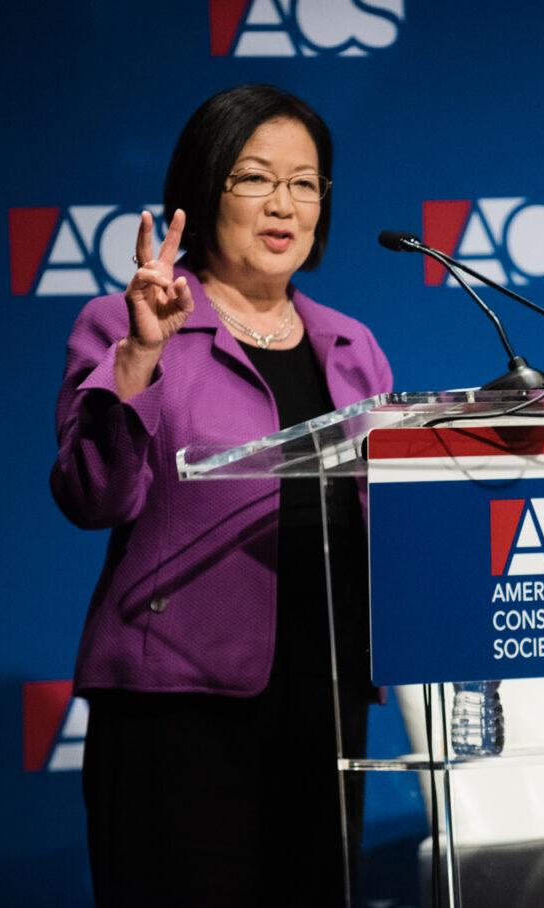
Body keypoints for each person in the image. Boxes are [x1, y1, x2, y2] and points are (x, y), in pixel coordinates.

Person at [49, 85, 392, 906]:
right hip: (177, 703)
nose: (284, 205)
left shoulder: (352, 346)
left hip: (326, 698)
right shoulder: (128, 324)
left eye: (305, 183)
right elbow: (93, 497)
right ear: (204, 190)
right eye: (255, 178)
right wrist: (140, 358)